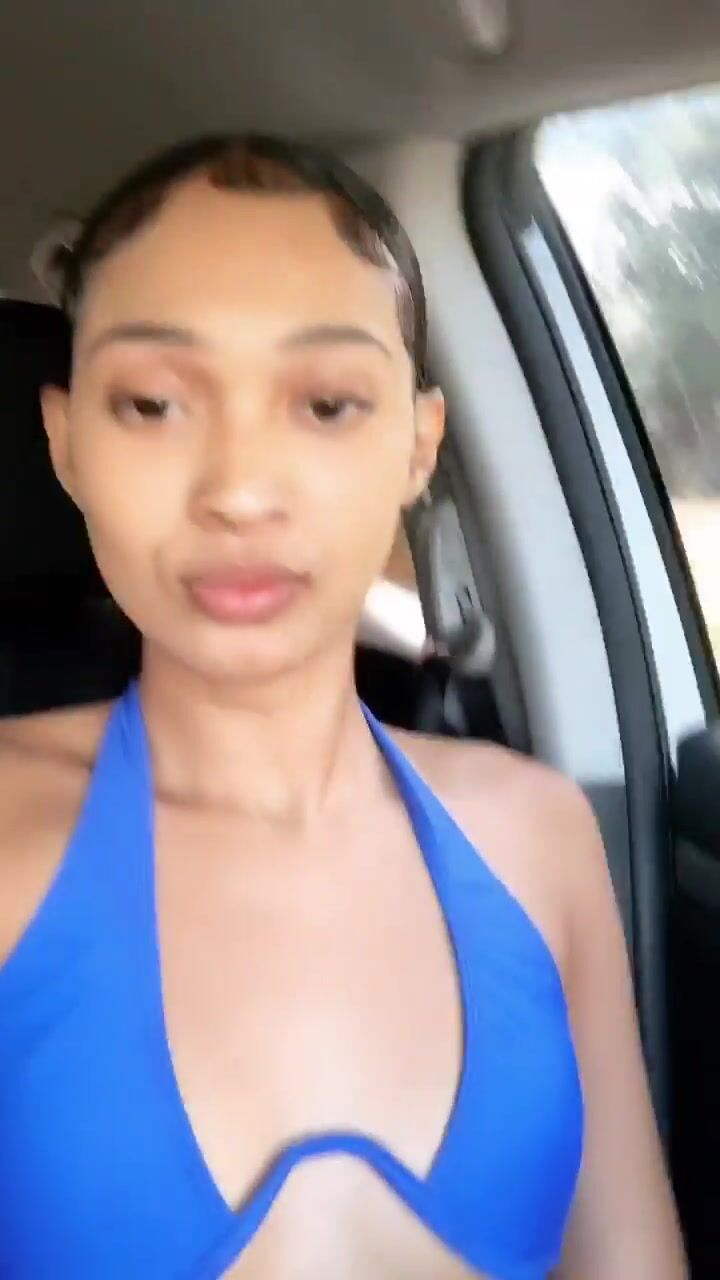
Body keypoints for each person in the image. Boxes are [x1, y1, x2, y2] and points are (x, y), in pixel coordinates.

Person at [0, 136, 686, 1279]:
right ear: (66, 445)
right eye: (154, 402)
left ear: (417, 446)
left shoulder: (538, 834)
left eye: (325, 402)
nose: (239, 490)